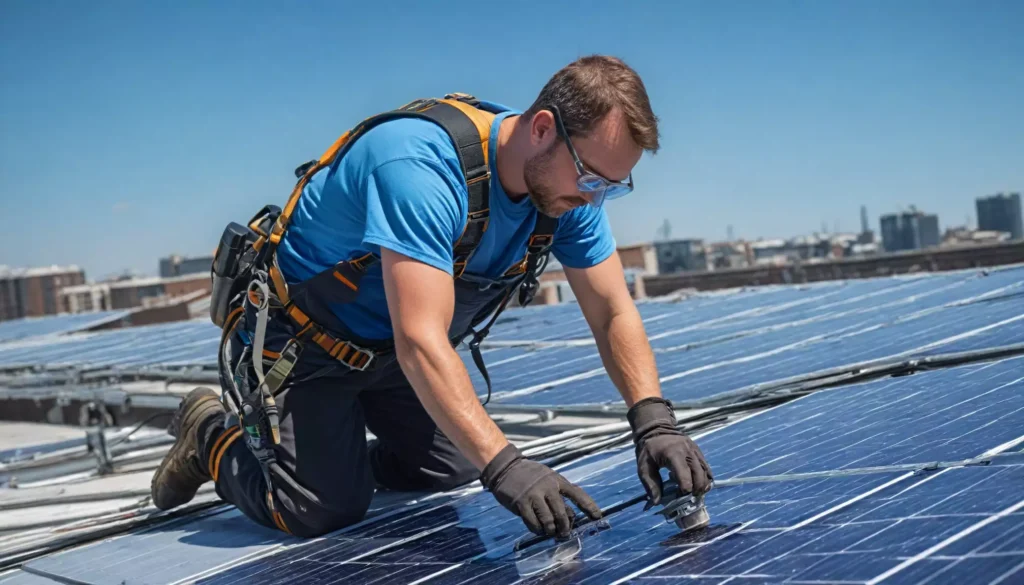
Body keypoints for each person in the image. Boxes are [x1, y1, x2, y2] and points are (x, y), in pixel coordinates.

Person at [150, 54, 714, 540]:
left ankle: (332, 459)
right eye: (592, 177)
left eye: (613, 186)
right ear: (543, 128)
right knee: (320, 507)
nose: (596, 198)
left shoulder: (567, 198)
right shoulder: (422, 166)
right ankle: (211, 435)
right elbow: (420, 338)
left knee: (453, 468)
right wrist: (507, 466)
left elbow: (612, 308)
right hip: (310, 348)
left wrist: (653, 419)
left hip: (391, 354)